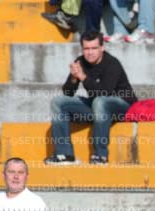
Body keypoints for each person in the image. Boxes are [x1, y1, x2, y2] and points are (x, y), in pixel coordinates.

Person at [45, 31, 137, 165]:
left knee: (100, 101)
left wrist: (83, 77)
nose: (90, 52)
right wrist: (74, 78)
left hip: (123, 108)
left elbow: (104, 92)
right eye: (86, 49)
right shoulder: (80, 61)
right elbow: (68, 93)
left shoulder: (112, 63)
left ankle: (100, 156)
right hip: (98, 107)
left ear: (102, 48)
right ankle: (64, 154)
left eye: (94, 48)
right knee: (58, 102)